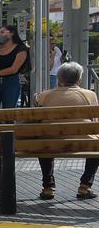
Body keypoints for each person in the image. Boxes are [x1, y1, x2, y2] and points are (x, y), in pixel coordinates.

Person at [34, 61, 99, 200]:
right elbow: (95, 122)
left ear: (59, 78)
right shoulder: (90, 95)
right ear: (79, 79)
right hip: (83, 143)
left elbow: (35, 121)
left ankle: (48, 187)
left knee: (44, 140)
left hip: (50, 143)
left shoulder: (44, 95)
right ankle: (84, 186)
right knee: (96, 145)